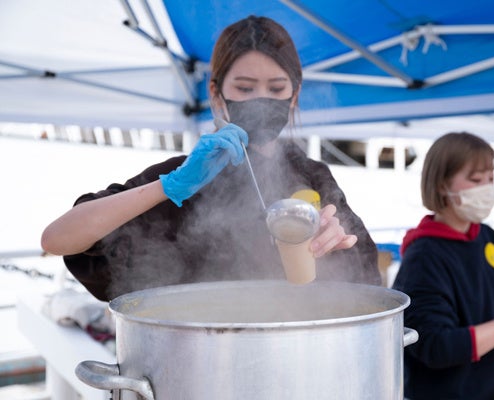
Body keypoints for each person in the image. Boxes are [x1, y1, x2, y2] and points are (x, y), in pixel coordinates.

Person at [41, 15, 380, 302]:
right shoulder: (184, 178)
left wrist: (336, 247)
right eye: (245, 89)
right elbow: (57, 239)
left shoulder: (314, 176)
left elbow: (367, 292)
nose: (262, 101)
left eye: (276, 89)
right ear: (217, 95)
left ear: (295, 95)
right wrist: (171, 186)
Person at [392, 132, 494, 400]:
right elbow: (434, 346)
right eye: (475, 179)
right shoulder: (424, 256)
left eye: (490, 179)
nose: (487, 188)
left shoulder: (491, 240)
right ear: (442, 184)